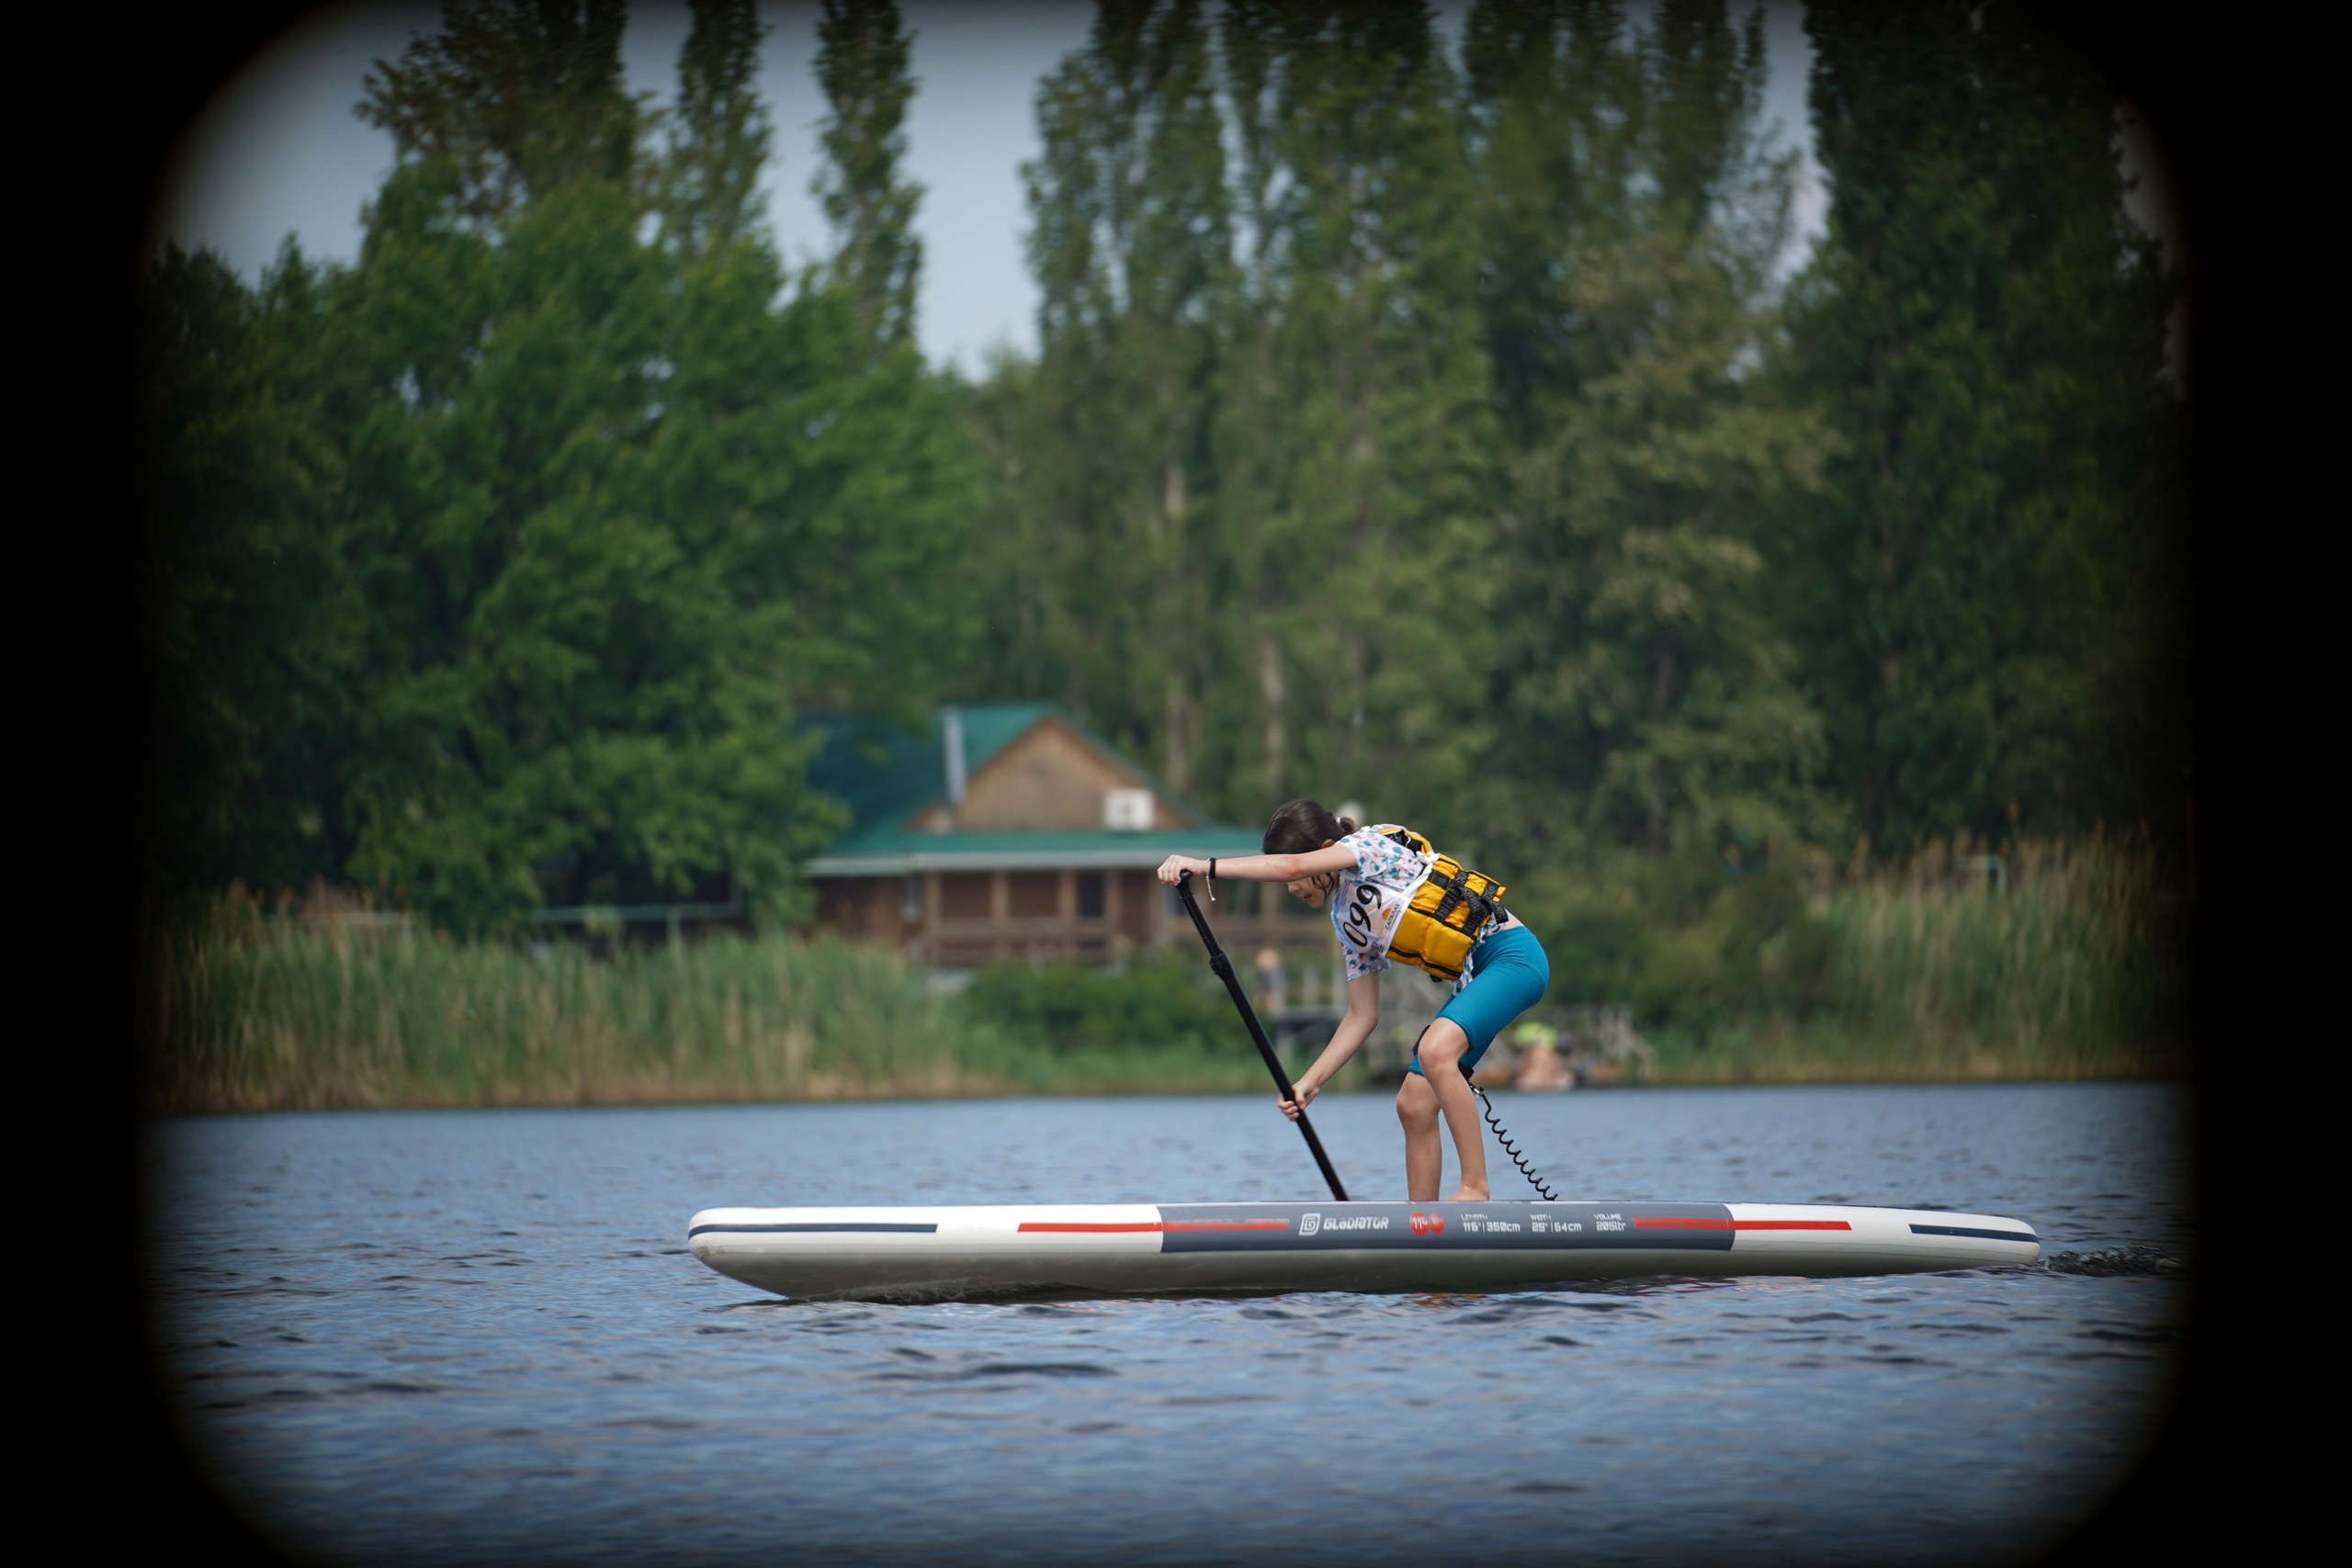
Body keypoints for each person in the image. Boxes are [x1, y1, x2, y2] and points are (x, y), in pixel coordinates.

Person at [1158, 799, 1550, 1201]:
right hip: (1475, 979)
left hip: (1512, 959)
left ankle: (1475, 1187)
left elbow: (1291, 867)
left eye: (1300, 875)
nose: (1292, 887)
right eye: (1290, 880)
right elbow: (1362, 1015)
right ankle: (1423, 1223)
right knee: (1413, 1105)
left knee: (1435, 1052)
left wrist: (1203, 866)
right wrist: (1309, 1082)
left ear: (1327, 850)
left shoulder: (1370, 846)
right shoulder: (1347, 923)